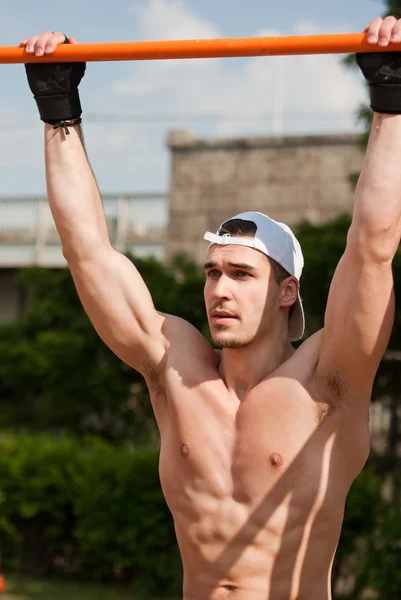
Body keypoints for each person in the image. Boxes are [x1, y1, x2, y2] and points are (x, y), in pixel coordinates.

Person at [20, 16, 401, 600]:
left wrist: (390, 100)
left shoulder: (331, 378)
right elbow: (88, 253)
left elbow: (372, 247)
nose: (220, 289)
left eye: (242, 274)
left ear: (286, 291)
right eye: (213, 272)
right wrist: (56, 105)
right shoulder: (173, 369)